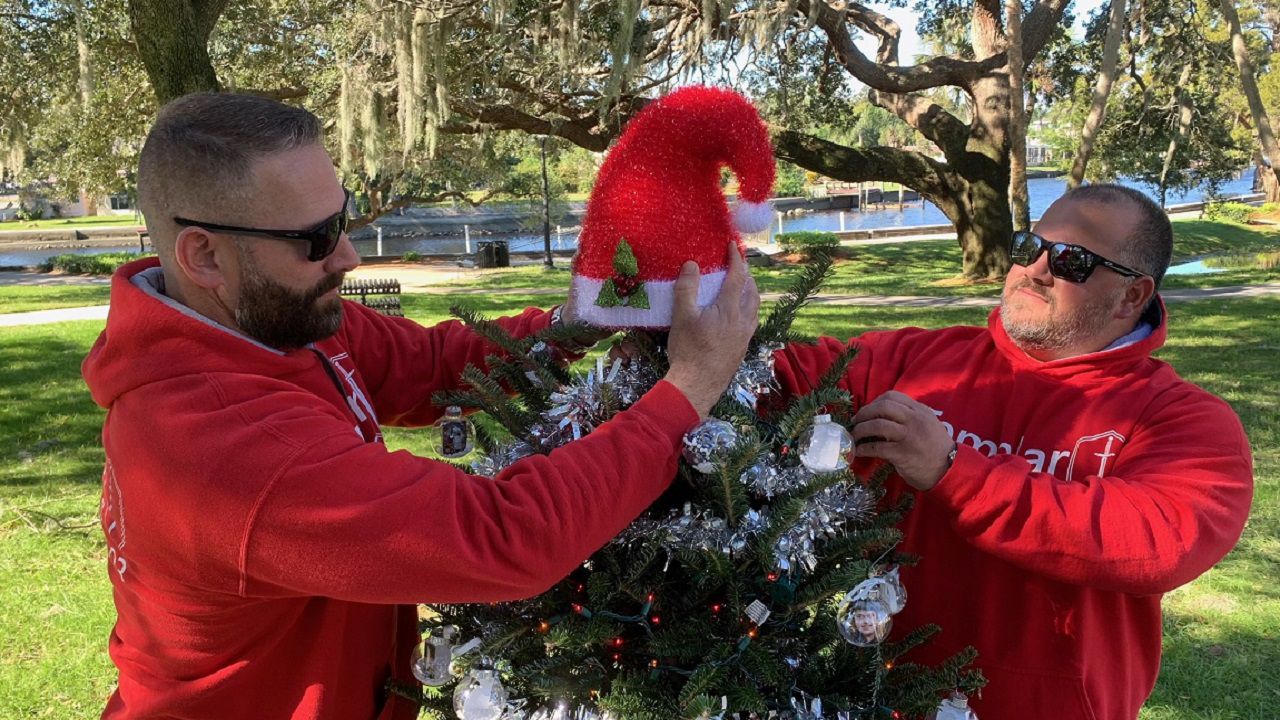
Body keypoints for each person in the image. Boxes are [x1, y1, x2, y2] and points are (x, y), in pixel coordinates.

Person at [83, 92, 760, 720]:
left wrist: (590, 313)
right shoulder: (221, 445)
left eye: (341, 218)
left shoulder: (270, 319)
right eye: (313, 240)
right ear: (203, 255)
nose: (346, 255)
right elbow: (503, 536)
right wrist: (691, 386)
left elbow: (436, 367)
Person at [771, 184, 1253, 720]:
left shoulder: (1185, 421)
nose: (1036, 269)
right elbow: (773, 379)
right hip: (885, 697)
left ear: (1132, 296)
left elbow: (1156, 539)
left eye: (1071, 260)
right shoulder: (916, 360)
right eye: (1029, 246)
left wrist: (952, 469)